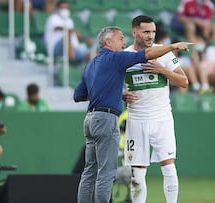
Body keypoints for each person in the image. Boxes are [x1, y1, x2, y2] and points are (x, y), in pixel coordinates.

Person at [73, 25, 192, 203]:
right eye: (120, 38)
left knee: (89, 172)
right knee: (106, 173)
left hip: (90, 119)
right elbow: (145, 55)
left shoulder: (92, 64)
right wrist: (173, 46)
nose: (124, 42)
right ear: (109, 41)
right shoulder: (115, 58)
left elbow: (79, 95)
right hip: (106, 119)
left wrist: (118, 94)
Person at [122, 15, 189, 203]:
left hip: (162, 117)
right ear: (134, 32)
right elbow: (110, 84)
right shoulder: (125, 56)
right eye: (146, 32)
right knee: (137, 174)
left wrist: (163, 70)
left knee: (168, 167)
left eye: (153, 32)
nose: (151, 36)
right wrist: (121, 95)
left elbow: (184, 81)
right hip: (136, 118)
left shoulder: (164, 53)